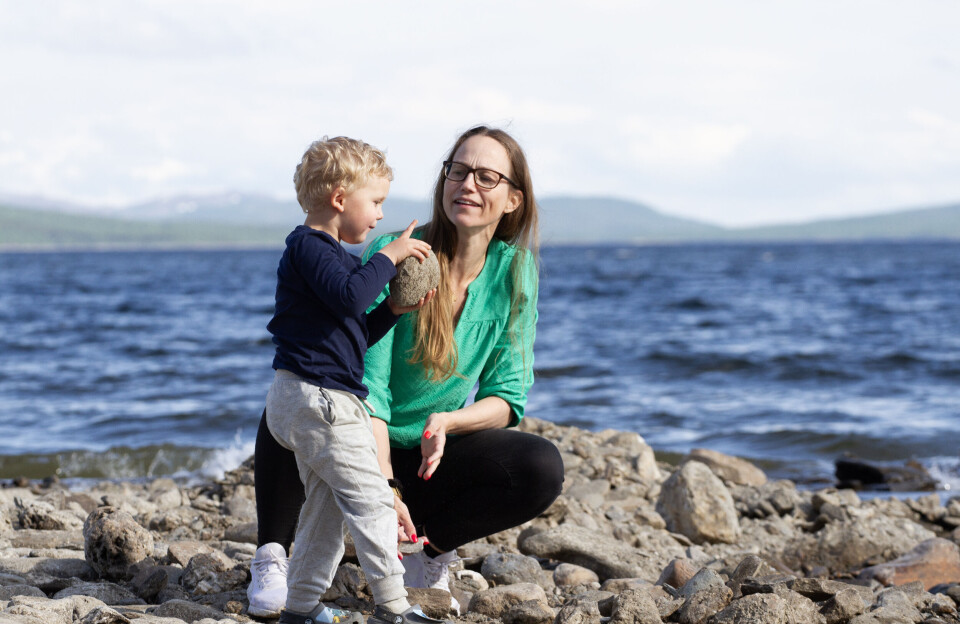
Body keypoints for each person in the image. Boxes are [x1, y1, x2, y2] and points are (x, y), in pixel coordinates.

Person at [249, 126, 565, 618]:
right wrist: (385, 487)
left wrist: (447, 422)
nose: (467, 184)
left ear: (512, 200)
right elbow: (366, 387)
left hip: (425, 457)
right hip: (360, 442)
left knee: (539, 465)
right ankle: (273, 555)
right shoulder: (400, 254)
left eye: (486, 177)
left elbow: (508, 396)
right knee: (295, 401)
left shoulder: (515, 271)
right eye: (458, 171)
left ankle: (427, 553)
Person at [257, 135, 447, 624]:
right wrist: (392, 256)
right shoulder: (309, 247)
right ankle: (394, 607)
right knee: (372, 502)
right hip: (318, 400)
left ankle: (298, 608)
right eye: (376, 202)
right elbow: (348, 298)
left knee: (323, 514)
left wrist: (394, 309)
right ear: (340, 199)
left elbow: (353, 331)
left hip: (312, 398)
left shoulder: (336, 259)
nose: (381, 216)